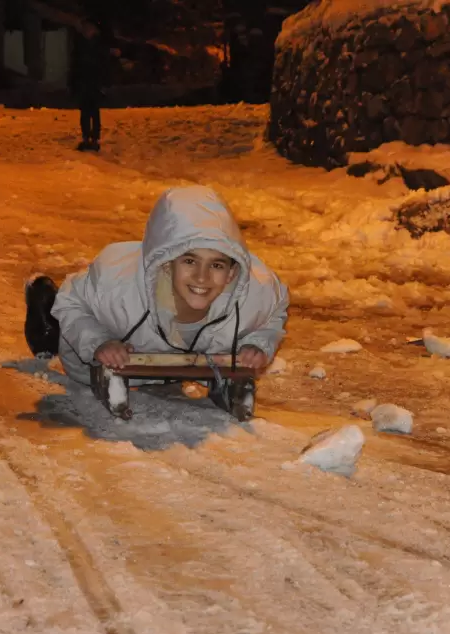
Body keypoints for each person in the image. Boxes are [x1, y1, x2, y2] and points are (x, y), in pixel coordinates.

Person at [23, 185, 289, 404]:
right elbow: (72, 301)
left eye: (217, 265)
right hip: (107, 345)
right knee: (56, 333)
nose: (202, 277)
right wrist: (99, 342)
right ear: (166, 263)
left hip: (173, 360)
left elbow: (276, 311)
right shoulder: (118, 289)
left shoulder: (256, 294)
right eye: (189, 261)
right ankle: (43, 306)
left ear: (232, 274)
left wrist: (259, 343)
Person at [69, 19, 117, 152]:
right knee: (85, 112)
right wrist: (73, 83)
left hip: (94, 83)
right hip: (83, 83)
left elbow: (104, 65)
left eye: (89, 28)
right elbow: (75, 66)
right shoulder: (79, 45)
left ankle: (95, 138)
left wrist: (105, 82)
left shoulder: (98, 46)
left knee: (94, 112)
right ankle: (86, 138)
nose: (87, 31)